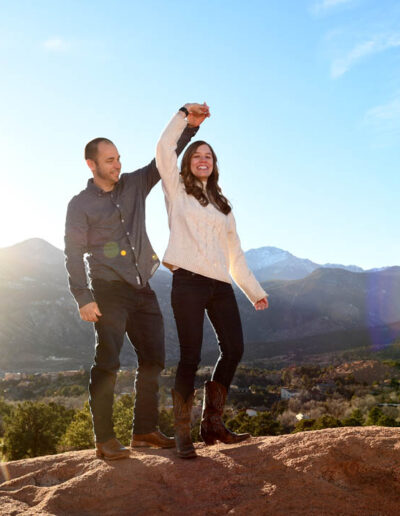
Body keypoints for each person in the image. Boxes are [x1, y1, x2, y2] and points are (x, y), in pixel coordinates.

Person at [64, 120, 202, 460]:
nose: (117, 165)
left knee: (154, 359)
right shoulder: (80, 204)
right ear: (91, 164)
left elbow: (164, 159)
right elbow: (72, 253)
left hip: (143, 287)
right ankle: (104, 439)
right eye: (110, 160)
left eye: (119, 158)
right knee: (108, 363)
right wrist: (83, 296)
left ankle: (143, 431)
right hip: (108, 289)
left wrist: (189, 127)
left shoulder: (135, 185)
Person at [156, 103, 269, 459]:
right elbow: (163, 150)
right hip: (187, 282)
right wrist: (183, 118)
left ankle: (213, 424)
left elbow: (235, 254)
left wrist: (254, 291)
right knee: (190, 356)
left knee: (234, 349)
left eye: (209, 155)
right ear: (189, 162)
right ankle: (182, 434)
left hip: (220, 286)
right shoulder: (176, 191)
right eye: (197, 155)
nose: (203, 159)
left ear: (215, 164)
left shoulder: (223, 205)